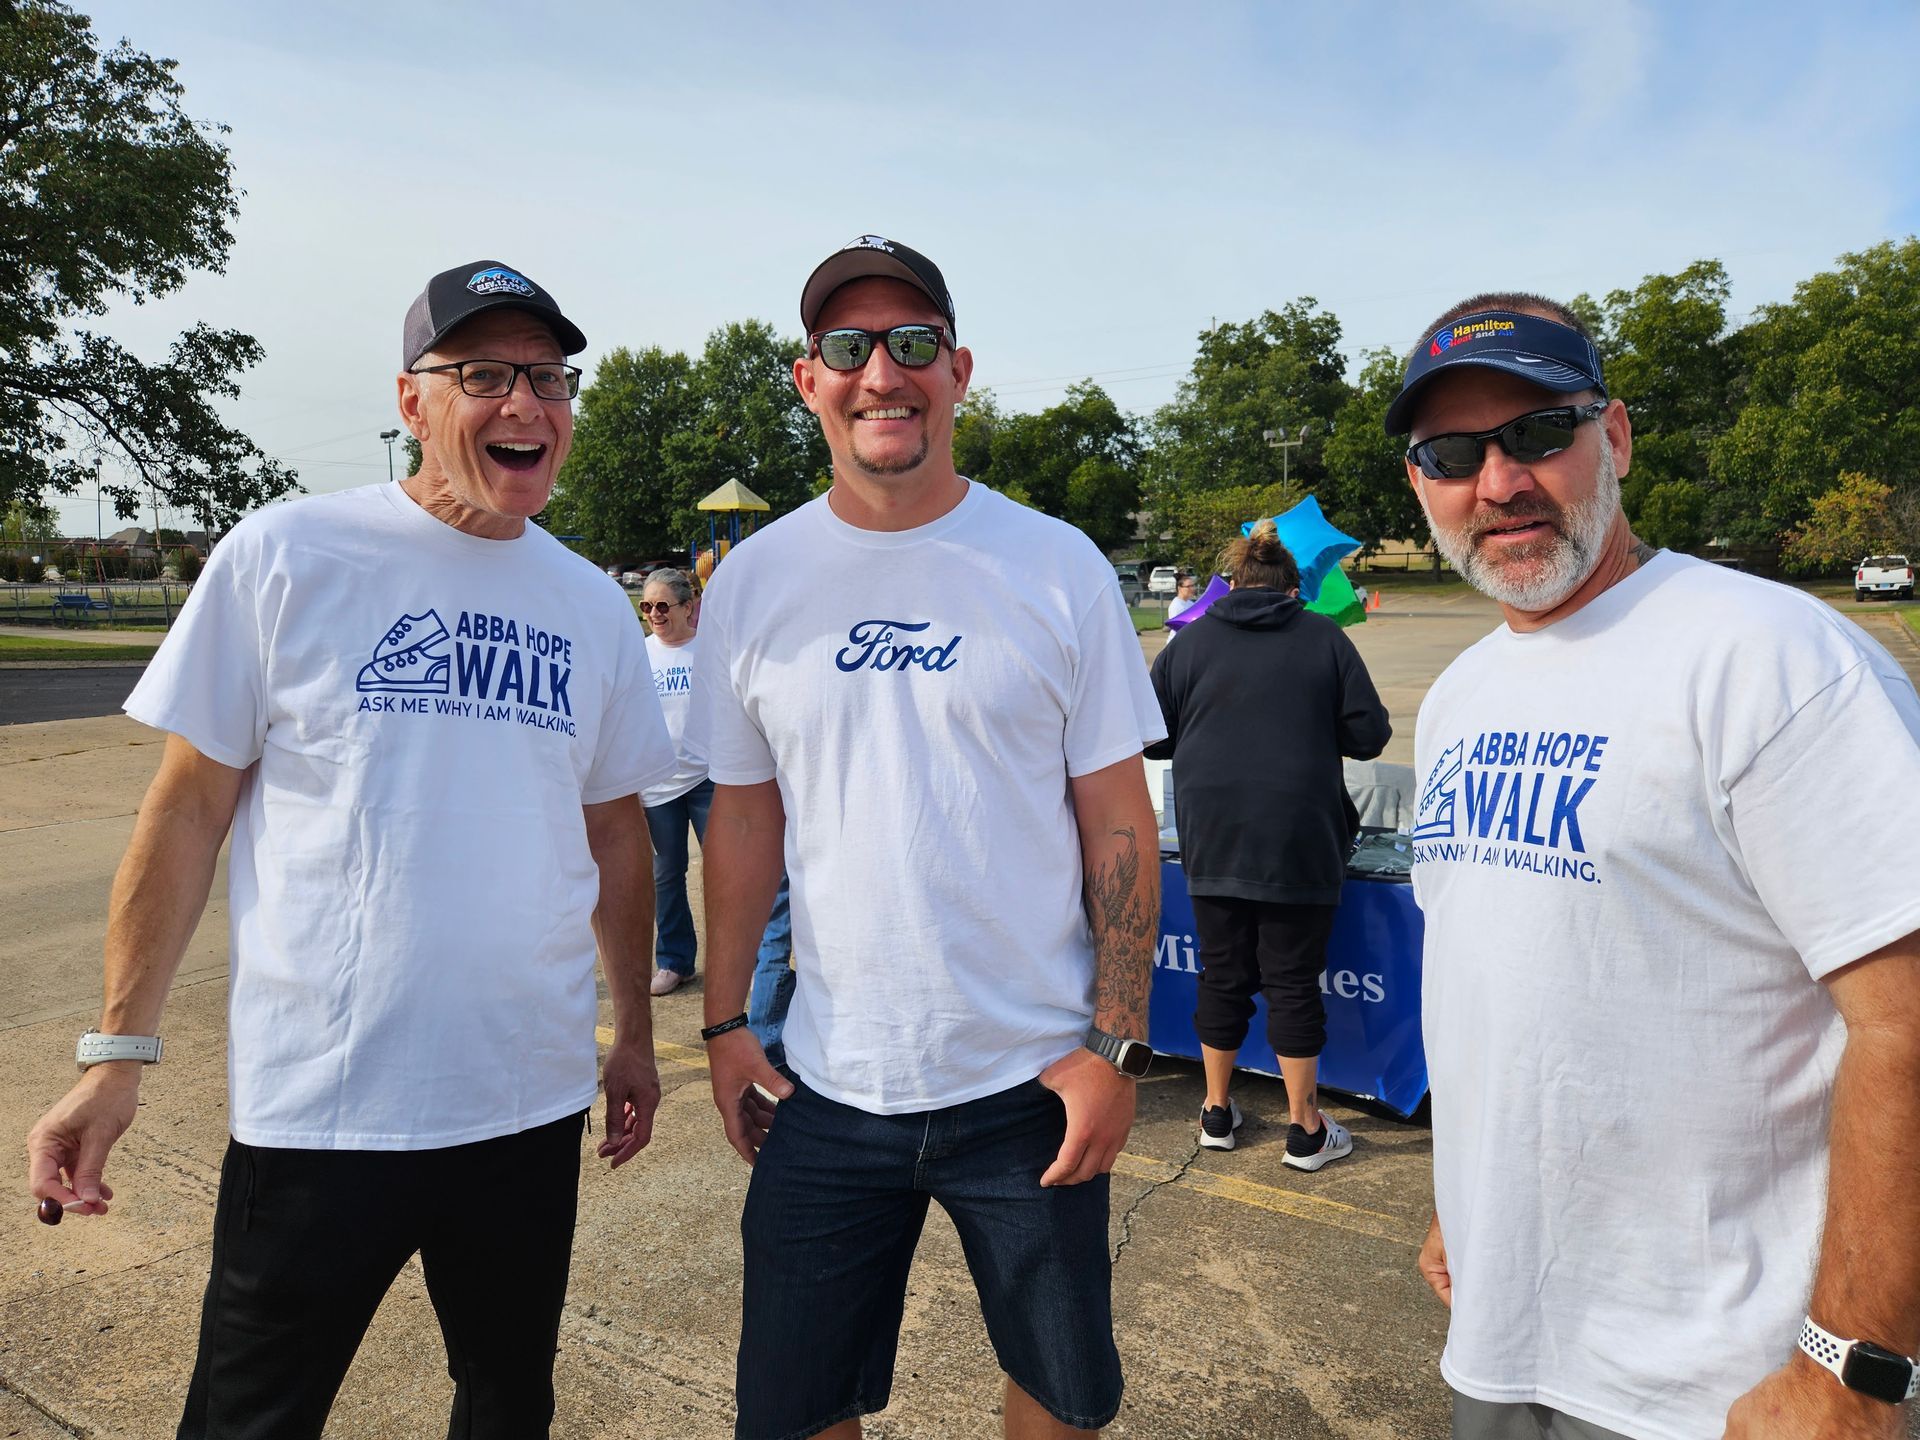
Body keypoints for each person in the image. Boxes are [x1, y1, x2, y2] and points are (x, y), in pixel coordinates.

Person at [24, 260, 677, 1439]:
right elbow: (184, 812)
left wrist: (632, 1034)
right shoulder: (290, 553)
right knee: (250, 1420)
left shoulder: (589, 604)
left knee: (506, 1403)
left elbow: (615, 832)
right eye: (483, 374)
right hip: (325, 1109)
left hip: (524, 1104)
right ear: (412, 401)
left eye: (547, 377)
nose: (525, 403)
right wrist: (114, 1052)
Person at [1390, 294, 1920, 1440]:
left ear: (1615, 437)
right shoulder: (1465, 692)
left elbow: (1906, 1021)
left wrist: (1851, 1369)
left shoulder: (1771, 655)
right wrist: (1462, 1206)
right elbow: (1500, 983)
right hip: (1503, 1331)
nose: (1500, 484)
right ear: (1418, 483)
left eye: (1538, 434)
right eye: (1451, 454)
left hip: (1720, 1381)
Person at [693, 235, 1165, 1439]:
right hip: (828, 1083)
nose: (880, 375)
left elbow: (1118, 814)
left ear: (958, 371)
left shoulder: (1055, 567)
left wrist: (1115, 1045)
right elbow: (743, 819)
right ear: (810, 381)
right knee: (792, 1408)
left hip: (1030, 1082)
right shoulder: (754, 581)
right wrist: (724, 1023)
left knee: (1062, 1396)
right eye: (847, 348)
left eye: (910, 345)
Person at [1146, 520, 1389, 1166]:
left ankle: (1216, 1113)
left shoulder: (1189, 645)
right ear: (1294, 590)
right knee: (1291, 980)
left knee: (1222, 975)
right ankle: (1304, 1130)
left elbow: (1149, 735)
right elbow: (1370, 735)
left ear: (1231, 583)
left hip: (1213, 838)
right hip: (1298, 840)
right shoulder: (1321, 637)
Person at [639, 564, 796, 1028]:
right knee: (666, 876)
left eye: (664, 605)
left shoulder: (710, 652)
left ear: (691, 607)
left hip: (709, 778)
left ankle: (743, 962)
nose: (654, 614)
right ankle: (675, 959)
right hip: (657, 783)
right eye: (647, 607)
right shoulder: (639, 653)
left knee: (730, 874)